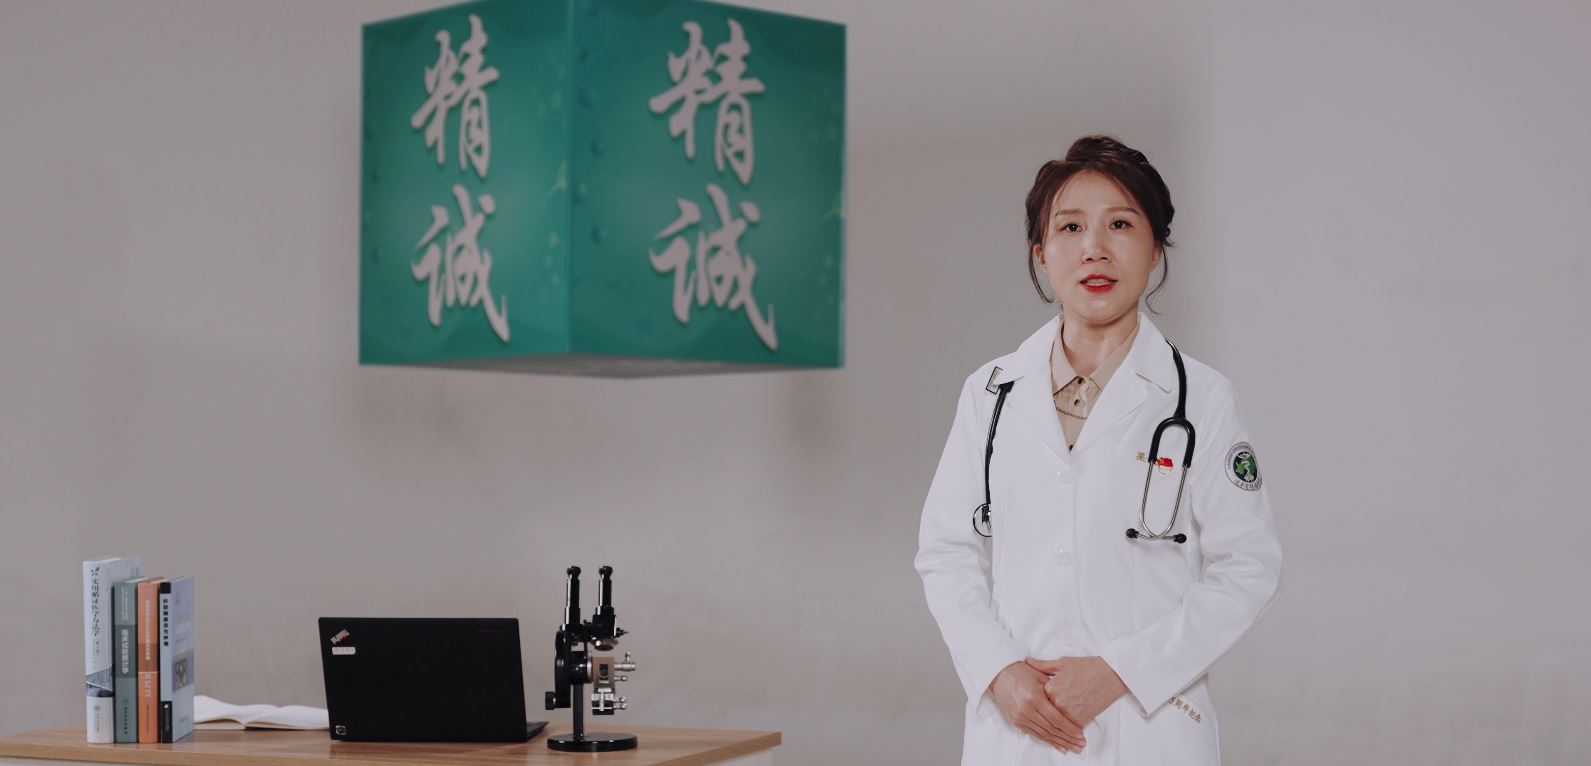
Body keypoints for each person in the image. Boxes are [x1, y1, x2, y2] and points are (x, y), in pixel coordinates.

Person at [915, 135, 1282, 765]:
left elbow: (1248, 569)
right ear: (1040, 253)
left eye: (1120, 224)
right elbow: (946, 553)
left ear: (1156, 248)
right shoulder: (990, 394)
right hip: (1017, 732)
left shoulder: (1201, 399)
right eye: (1070, 227)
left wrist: (1120, 672)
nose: (1095, 248)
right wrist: (1000, 672)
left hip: (1148, 729)